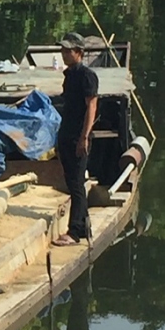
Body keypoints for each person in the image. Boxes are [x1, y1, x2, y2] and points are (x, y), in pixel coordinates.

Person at [53, 32, 99, 247]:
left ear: (79, 53)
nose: (63, 54)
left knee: (77, 184)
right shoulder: (69, 75)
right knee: (71, 181)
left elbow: (91, 106)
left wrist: (84, 137)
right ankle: (82, 222)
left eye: (67, 50)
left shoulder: (86, 76)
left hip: (78, 136)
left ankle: (75, 232)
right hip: (67, 133)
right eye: (62, 50)